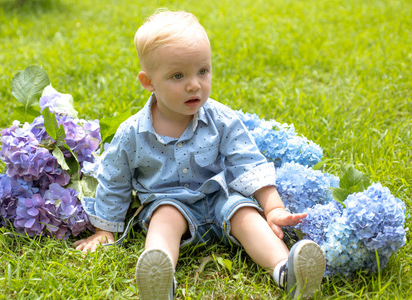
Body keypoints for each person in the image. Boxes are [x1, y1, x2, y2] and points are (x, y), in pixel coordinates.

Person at [74, 9, 326, 299]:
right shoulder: (132, 133)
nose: (194, 84)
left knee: (246, 214)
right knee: (165, 218)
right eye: (178, 75)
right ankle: (159, 277)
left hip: (220, 197)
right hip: (169, 202)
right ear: (148, 82)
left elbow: (249, 163)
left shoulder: (221, 119)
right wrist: (104, 228)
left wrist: (273, 208)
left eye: (202, 71)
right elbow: (114, 178)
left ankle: (285, 270)